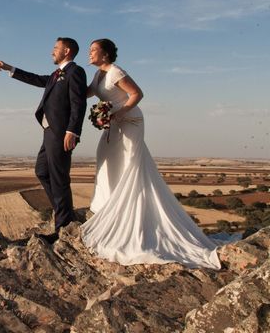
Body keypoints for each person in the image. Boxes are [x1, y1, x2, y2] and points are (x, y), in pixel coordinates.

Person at [81, 38, 220, 269]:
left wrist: (117, 112)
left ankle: (132, 222)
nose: (90, 53)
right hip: (114, 122)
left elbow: (137, 94)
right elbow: (84, 94)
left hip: (130, 121)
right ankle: (110, 210)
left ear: (105, 54)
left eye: (94, 50)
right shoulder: (98, 76)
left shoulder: (116, 71)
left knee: (128, 166)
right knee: (105, 160)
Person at [0, 37, 87, 243]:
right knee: (42, 171)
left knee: (59, 177)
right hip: (49, 131)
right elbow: (36, 79)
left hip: (62, 133)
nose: (52, 51)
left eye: (56, 48)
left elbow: (78, 104)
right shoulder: (56, 74)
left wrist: (72, 131)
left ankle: (62, 226)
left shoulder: (75, 72)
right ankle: (64, 212)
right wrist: (11, 68)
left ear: (67, 51)